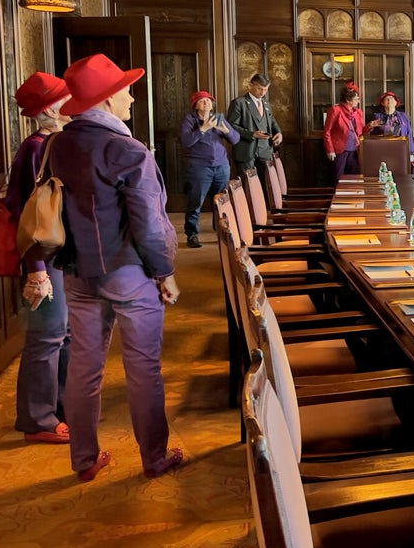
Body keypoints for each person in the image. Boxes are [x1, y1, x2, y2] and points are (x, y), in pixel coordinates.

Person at [48, 53, 182, 483]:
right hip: (128, 272)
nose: (132, 98)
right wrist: (164, 272)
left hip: (77, 272)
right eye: (126, 91)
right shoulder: (126, 149)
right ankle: (155, 458)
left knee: (83, 367)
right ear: (107, 99)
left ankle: (84, 460)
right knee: (143, 368)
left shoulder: (59, 144)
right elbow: (149, 223)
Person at [4, 72, 72, 445]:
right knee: (46, 336)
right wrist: (36, 271)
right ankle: (37, 419)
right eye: (65, 98)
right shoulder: (35, 148)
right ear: (50, 108)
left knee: (64, 334)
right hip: (43, 260)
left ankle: (60, 407)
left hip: (58, 256)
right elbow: (24, 215)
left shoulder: (53, 142)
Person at [179, 90, 239, 249]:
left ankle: (221, 231)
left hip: (221, 167)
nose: (206, 103)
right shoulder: (190, 120)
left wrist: (225, 130)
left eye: (209, 100)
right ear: (195, 105)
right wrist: (203, 128)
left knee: (221, 202)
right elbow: (186, 142)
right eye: (202, 101)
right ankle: (192, 234)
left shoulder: (218, 118)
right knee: (195, 202)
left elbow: (235, 139)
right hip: (198, 168)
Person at [226, 73, 283, 186]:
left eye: (265, 90)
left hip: (265, 151)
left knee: (266, 187)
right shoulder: (239, 103)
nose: (262, 93)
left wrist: (279, 133)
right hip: (246, 152)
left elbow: (271, 121)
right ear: (250, 86)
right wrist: (251, 134)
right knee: (249, 187)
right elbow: (231, 126)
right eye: (259, 89)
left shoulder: (266, 103)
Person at [322, 81, 364, 180]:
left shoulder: (358, 112)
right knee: (338, 177)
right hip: (339, 150)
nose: (358, 101)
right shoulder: (335, 110)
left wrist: (371, 125)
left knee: (355, 177)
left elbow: (361, 131)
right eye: (356, 99)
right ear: (348, 100)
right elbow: (327, 132)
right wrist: (330, 150)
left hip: (354, 150)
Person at [365, 90, 414, 169]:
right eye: (387, 99)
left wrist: (411, 152)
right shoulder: (377, 116)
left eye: (392, 99)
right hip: (382, 151)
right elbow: (371, 136)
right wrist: (371, 125)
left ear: (396, 102)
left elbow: (409, 134)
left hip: (400, 150)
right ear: (382, 103)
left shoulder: (403, 116)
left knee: (400, 171)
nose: (389, 100)